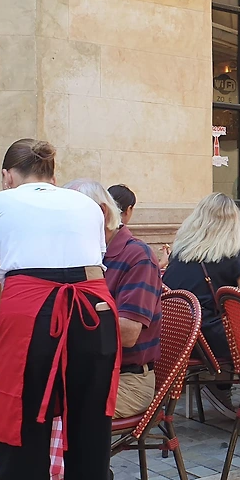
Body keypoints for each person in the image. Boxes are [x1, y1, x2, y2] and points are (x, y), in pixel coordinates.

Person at [0, 139, 119, 480]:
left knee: (22, 441)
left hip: (31, 314)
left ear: (7, 176)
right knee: (90, 439)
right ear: (52, 175)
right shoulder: (88, 205)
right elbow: (89, 265)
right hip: (95, 312)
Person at [66, 179, 162, 420]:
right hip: (86, 369)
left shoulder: (137, 256)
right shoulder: (85, 252)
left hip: (127, 380)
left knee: (51, 408)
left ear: (101, 213)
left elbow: (128, 334)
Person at [162, 193, 240, 415]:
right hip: (210, 339)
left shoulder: (180, 252)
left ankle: (221, 386)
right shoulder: (235, 253)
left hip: (176, 335)